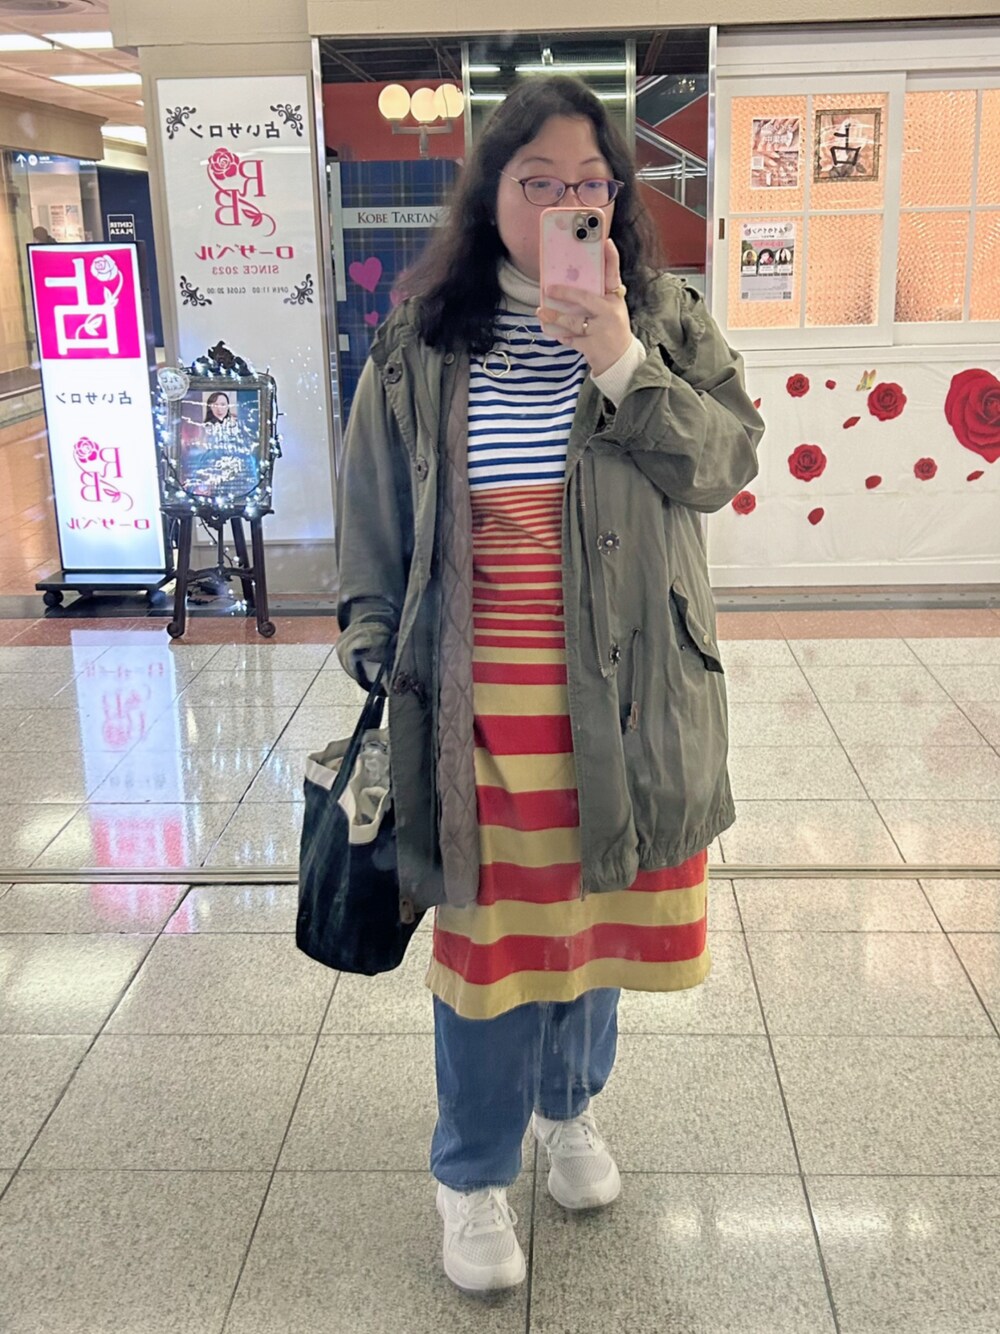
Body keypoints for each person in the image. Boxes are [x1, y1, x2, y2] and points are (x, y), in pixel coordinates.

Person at [334, 75, 763, 1295]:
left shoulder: (664, 320)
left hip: (627, 694)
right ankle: (470, 1172)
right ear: (491, 195)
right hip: (476, 698)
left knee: (595, 924)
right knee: (492, 946)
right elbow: (374, 496)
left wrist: (619, 357)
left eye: (590, 183)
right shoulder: (423, 335)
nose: (567, 203)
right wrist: (371, 628)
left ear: (616, 197)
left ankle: (566, 1108)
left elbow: (725, 463)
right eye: (538, 182)